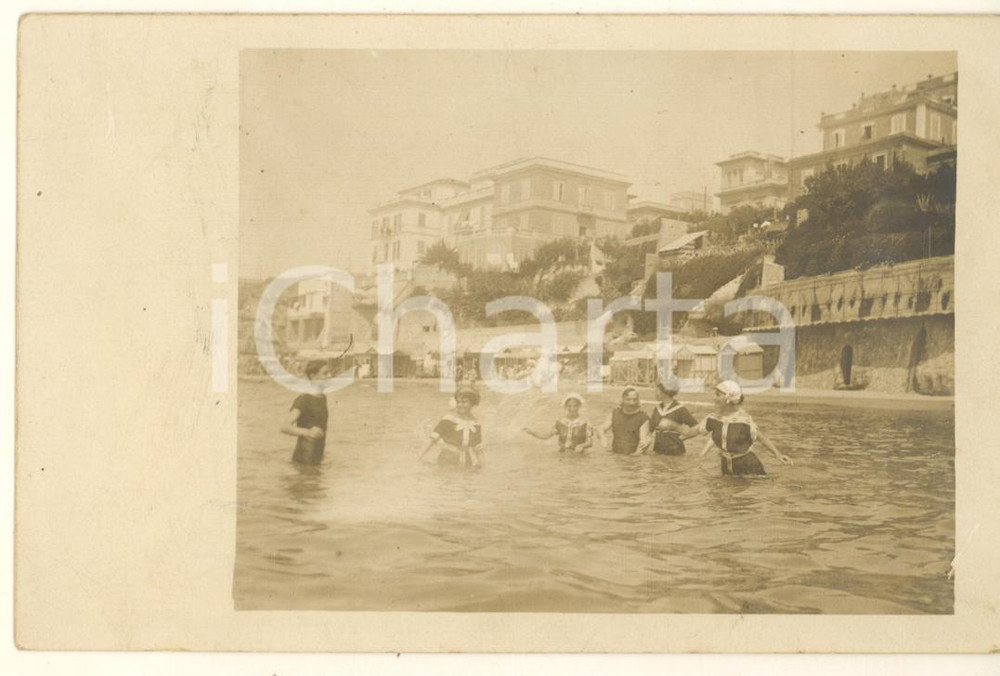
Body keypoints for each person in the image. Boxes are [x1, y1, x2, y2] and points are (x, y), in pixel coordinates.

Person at [689, 380, 792, 476]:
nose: (714, 398)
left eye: (717, 395)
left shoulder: (744, 420)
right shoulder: (715, 418)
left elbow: (761, 438)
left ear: (728, 399)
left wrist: (778, 455)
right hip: (726, 464)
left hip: (748, 465)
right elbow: (700, 432)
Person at [419, 385, 484, 468]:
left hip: (467, 463)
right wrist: (417, 460)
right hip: (447, 460)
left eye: (464, 402)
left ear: (472, 404)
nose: (460, 405)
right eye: (458, 402)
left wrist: (484, 470)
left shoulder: (476, 424)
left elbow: (478, 451)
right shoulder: (448, 420)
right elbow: (430, 442)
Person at [280, 360, 330, 465]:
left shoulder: (322, 397)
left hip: (316, 456)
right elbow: (285, 427)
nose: (329, 376)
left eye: (329, 373)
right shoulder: (304, 400)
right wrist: (307, 432)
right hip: (304, 458)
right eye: (325, 373)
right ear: (313, 376)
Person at [522, 393, 593, 454]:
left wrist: (582, 446)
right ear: (565, 406)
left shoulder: (585, 422)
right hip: (562, 454)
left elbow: (590, 443)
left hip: (579, 456)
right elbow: (545, 436)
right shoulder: (561, 422)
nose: (572, 409)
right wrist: (531, 432)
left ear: (579, 406)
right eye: (569, 406)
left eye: (575, 406)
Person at [648, 379, 699, 455]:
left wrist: (681, 437)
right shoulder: (657, 408)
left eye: (657, 390)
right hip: (658, 452)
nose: (655, 392)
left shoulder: (680, 409)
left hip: (675, 453)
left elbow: (697, 428)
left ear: (664, 391)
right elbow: (650, 429)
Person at [598, 386, 651, 455]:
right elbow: (601, 428)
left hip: (633, 456)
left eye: (635, 400)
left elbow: (643, 441)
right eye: (628, 399)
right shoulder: (615, 413)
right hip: (615, 454)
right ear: (622, 399)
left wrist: (635, 456)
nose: (632, 403)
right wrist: (602, 437)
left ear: (638, 400)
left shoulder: (643, 418)